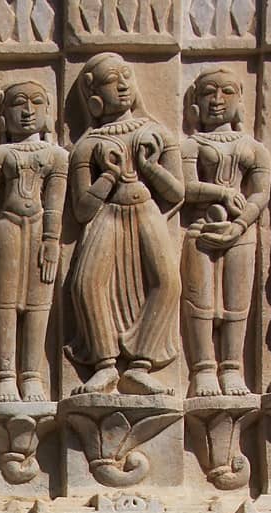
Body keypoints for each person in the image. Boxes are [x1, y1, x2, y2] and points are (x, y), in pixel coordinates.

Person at [66, 52, 183, 396]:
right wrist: (108, 177)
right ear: (94, 96)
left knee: (168, 282)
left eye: (126, 76)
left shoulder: (156, 133)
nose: (121, 84)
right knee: (85, 284)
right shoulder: (87, 145)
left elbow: (177, 192)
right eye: (111, 79)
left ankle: (140, 366)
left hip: (146, 212)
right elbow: (82, 209)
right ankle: (104, 366)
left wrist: (149, 168)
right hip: (108, 215)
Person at [181, 66, 270, 399]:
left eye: (227, 92)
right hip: (200, 228)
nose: (217, 101)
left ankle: (232, 367)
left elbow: (259, 193)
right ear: (195, 105)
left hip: (240, 231)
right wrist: (219, 194)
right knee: (199, 300)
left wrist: (240, 223)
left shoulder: (254, 148)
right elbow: (186, 188)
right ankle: (203, 369)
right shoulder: (190, 145)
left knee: (236, 302)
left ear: (240, 100)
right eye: (208, 93)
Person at [0, 80, 66, 403]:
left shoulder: (56, 156)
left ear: (47, 114)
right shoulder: (3, 152)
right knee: (4, 301)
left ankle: (31, 376)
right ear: (5, 115)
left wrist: (52, 240)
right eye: (18, 104)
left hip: (40, 227)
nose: (28, 111)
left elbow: (55, 202)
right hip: (8, 226)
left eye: (36, 102)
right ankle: (4, 377)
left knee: (38, 301)